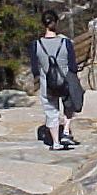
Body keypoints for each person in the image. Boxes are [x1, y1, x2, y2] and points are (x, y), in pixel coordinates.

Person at [29, 10, 78, 150]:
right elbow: (73, 66)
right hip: (66, 81)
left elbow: (35, 69)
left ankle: (56, 142)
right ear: (56, 23)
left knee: (51, 111)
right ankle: (66, 131)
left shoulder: (35, 45)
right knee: (69, 105)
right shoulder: (66, 43)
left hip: (47, 84)